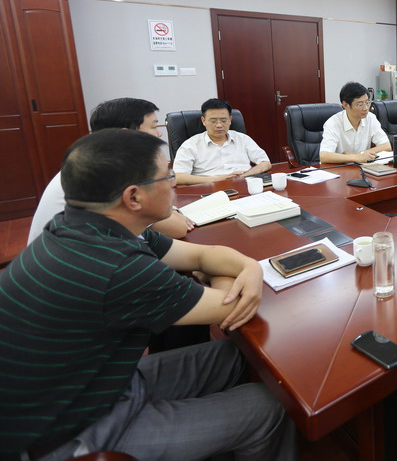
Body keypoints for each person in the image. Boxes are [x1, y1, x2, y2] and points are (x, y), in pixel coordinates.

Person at [0, 130, 296, 460]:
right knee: (271, 407)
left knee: (237, 356)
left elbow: (202, 256)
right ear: (134, 197)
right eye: (166, 175)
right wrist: (239, 272)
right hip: (73, 432)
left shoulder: (84, 225)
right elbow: (230, 306)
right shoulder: (117, 267)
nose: (174, 182)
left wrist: (250, 268)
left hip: (106, 385)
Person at [27, 97, 193, 244]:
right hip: (75, 261)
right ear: (127, 134)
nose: (158, 134)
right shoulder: (109, 172)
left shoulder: (97, 160)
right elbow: (177, 228)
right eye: (154, 126)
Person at [173, 98, 271, 185]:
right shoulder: (190, 145)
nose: (219, 125)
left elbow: (265, 163)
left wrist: (245, 175)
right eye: (213, 121)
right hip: (209, 189)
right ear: (203, 120)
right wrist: (218, 179)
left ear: (230, 120)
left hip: (244, 185)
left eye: (223, 120)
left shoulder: (242, 139)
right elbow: (178, 176)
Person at [319, 81, 391, 164]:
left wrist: (360, 154)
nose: (366, 108)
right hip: (339, 168)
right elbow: (324, 156)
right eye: (360, 104)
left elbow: (387, 146)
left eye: (367, 102)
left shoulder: (370, 118)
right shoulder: (333, 123)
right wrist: (355, 157)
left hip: (361, 167)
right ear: (345, 105)